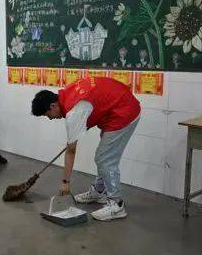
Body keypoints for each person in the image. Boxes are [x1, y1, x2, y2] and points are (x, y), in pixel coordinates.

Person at [31, 76, 141, 221]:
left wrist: (65, 182)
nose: (50, 118)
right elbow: (92, 103)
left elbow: (71, 150)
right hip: (113, 109)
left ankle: (117, 205)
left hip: (124, 112)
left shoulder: (74, 111)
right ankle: (100, 191)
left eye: (47, 115)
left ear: (53, 106)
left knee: (104, 158)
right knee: (103, 156)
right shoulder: (67, 95)